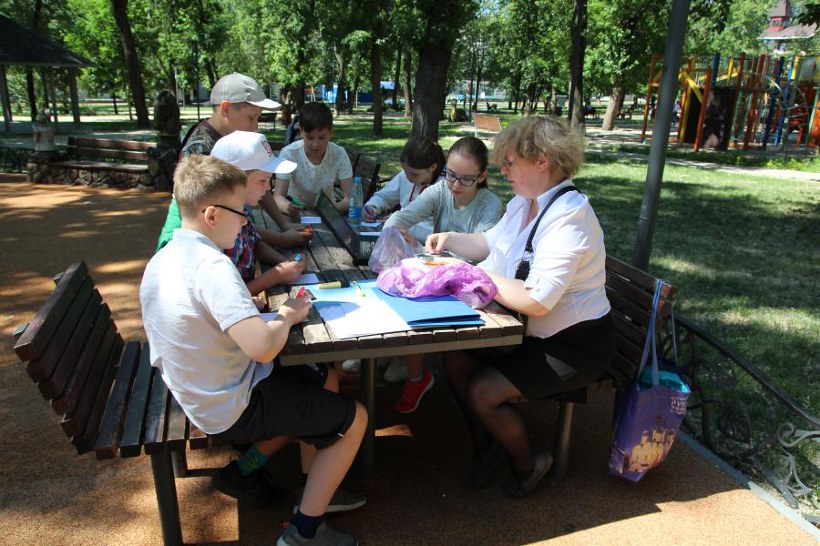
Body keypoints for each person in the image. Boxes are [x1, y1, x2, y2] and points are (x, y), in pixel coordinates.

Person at [140, 154, 367, 545]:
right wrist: (288, 316)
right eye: (240, 212)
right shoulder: (212, 266)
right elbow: (262, 348)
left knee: (321, 376)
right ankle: (304, 533)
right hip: (230, 404)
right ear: (212, 215)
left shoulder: (164, 259)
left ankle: (307, 485)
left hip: (200, 388)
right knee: (354, 419)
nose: (246, 221)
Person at [425, 116, 615, 498]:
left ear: (542, 160)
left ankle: (528, 465)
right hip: (528, 330)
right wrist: (450, 240)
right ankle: (489, 443)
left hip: (573, 345)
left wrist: (476, 275)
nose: (503, 169)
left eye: (510, 162)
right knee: (456, 359)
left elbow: (537, 300)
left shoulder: (569, 216)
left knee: (483, 392)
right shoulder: (524, 203)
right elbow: (490, 243)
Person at [380, 136, 503, 413]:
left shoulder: (489, 205)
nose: (455, 185)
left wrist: (438, 251)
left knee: (413, 301)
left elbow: (482, 256)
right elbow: (400, 218)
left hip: (471, 289)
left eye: (467, 179)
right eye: (451, 175)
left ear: (482, 176)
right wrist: (395, 235)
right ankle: (406, 366)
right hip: (438, 276)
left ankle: (412, 370)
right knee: (398, 291)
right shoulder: (440, 191)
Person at [161, 72, 310, 252]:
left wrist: (283, 223)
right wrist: (281, 239)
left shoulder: (234, 140)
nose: (255, 125)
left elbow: (258, 178)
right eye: (251, 117)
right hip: (190, 248)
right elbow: (222, 219)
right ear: (225, 109)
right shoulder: (201, 150)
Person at [340, 136, 446, 381]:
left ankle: (403, 354)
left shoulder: (443, 188)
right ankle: (379, 345)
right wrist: (373, 207)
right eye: (406, 172)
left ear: (432, 168)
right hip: (397, 248)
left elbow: (435, 229)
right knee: (374, 286)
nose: (408, 177)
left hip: (424, 255)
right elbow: (385, 196)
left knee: (401, 294)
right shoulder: (408, 176)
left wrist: (404, 226)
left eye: (414, 174)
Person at [156, 131, 306, 297]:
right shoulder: (217, 228)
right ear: (236, 180)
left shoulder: (237, 210)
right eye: (263, 180)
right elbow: (224, 297)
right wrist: (276, 276)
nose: (268, 188)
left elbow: (253, 243)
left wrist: (283, 263)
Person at [273, 102, 354, 214]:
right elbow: (278, 196)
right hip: (297, 212)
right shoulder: (289, 154)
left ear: (331, 132)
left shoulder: (339, 154)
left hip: (329, 213)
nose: (315, 144)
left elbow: (351, 197)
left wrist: (335, 208)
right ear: (301, 132)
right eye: (310, 138)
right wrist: (286, 207)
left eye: (322, 138)